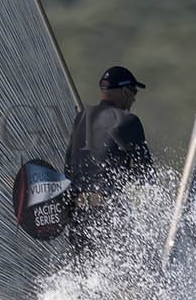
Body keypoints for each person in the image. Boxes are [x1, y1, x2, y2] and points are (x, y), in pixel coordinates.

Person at [64, 65, 152, 253]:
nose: (134, 98)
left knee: (83, 271)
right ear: (125, 91)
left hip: (77, 211)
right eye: (134, 92)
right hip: (107, 211)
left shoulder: (82, 117)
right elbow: (146, 175)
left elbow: (68, 169)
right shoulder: (130, 121)